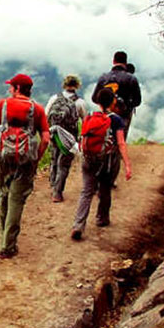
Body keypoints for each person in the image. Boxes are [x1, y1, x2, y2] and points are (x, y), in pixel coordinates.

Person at [0, 73, 50, 259]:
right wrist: (36, 159)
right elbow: (46, 139)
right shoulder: (38, 109)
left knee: (5, 194)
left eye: (11, 86)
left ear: (17, 89)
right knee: (17, 200)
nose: (9, 89)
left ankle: (4, 236)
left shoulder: (3, 105)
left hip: (3, 157)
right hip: (26, 160)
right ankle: (7, 246)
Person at [71, 87, 132, 240]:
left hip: (87, 158)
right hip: (106, 161)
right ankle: (101, 218)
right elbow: (121, 143)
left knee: (86, 192)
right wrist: (127, 165)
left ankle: (78, 225)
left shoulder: (90, 116)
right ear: (113, 102)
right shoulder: (116, 119)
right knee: (105, 189)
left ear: (98, 102)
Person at [45, 74, 87, 202]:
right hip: (69, 138)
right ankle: (57, 192)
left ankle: (53, 184)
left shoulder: (54, 98)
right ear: (77, 86)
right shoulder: (80, 103)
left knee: (54, 158)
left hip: (54, 134)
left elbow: (46, 114)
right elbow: (84, 120)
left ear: (64, 85)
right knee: (64, 164)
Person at [92, 51, 142, 136]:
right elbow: (137, 101)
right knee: (120, 138)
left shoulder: (103, 77)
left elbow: (94, 98)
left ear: (113, 61)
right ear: (125, 63)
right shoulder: (131, 78)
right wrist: (125, 106)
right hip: (124, 115)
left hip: (105, 116)